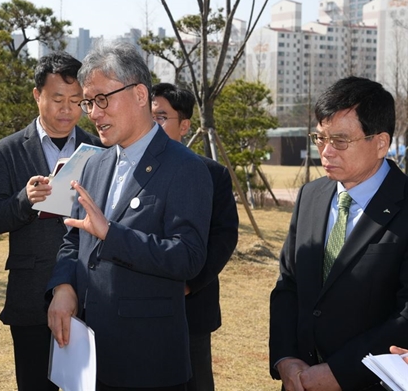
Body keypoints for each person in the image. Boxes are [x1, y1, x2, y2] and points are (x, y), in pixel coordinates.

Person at [47, 42, 213, 390]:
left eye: (102, 99)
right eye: (89, 102)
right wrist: (64, 287)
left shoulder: (185, 168)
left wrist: (113, 235)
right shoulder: (93, 164)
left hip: (148, 362)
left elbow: (189, 258)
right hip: (89, 356)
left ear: (140, 94)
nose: (93, 113)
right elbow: (73, 237)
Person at [269, 76, 408, 391]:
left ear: (381, 143)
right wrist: (286, 359)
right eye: (319, 138)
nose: (326, 152)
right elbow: (288, 286)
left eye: (340, 141)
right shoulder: (310, 196)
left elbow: (405, 315)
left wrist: (340, 372)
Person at [0, 51, 101, 391]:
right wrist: (25, 201)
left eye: (77, 101)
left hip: (88, 288)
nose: (68, 110)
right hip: (31, 292)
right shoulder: (6, 151)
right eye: (58, 99)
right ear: (37, 95)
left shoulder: (99, 149)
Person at [151, 82, 238, 391]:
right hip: (136, 310)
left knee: (194, 381)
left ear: (184, 125)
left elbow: (224, 237)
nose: (153, 124)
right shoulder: (127, 169)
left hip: (191, 306)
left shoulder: (212, 173)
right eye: (148, 116)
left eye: (161, 117)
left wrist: (188, 284)